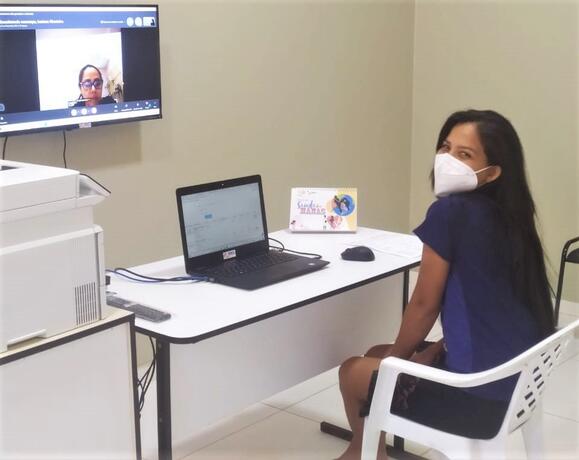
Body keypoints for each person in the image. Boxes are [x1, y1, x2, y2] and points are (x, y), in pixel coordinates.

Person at [336, 109, 555, 460]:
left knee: (352, 371)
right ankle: (367, 448)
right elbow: (488, 309)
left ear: (493, 172)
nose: (447, 160)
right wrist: (432, 349)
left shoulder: (451, 213)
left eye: (464, 154)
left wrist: (397, 364)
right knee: (378, 353)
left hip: (475, 400)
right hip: (515, 387)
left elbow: (424, 305)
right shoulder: (513, 218)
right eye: (445, 148)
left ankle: (363, 454)